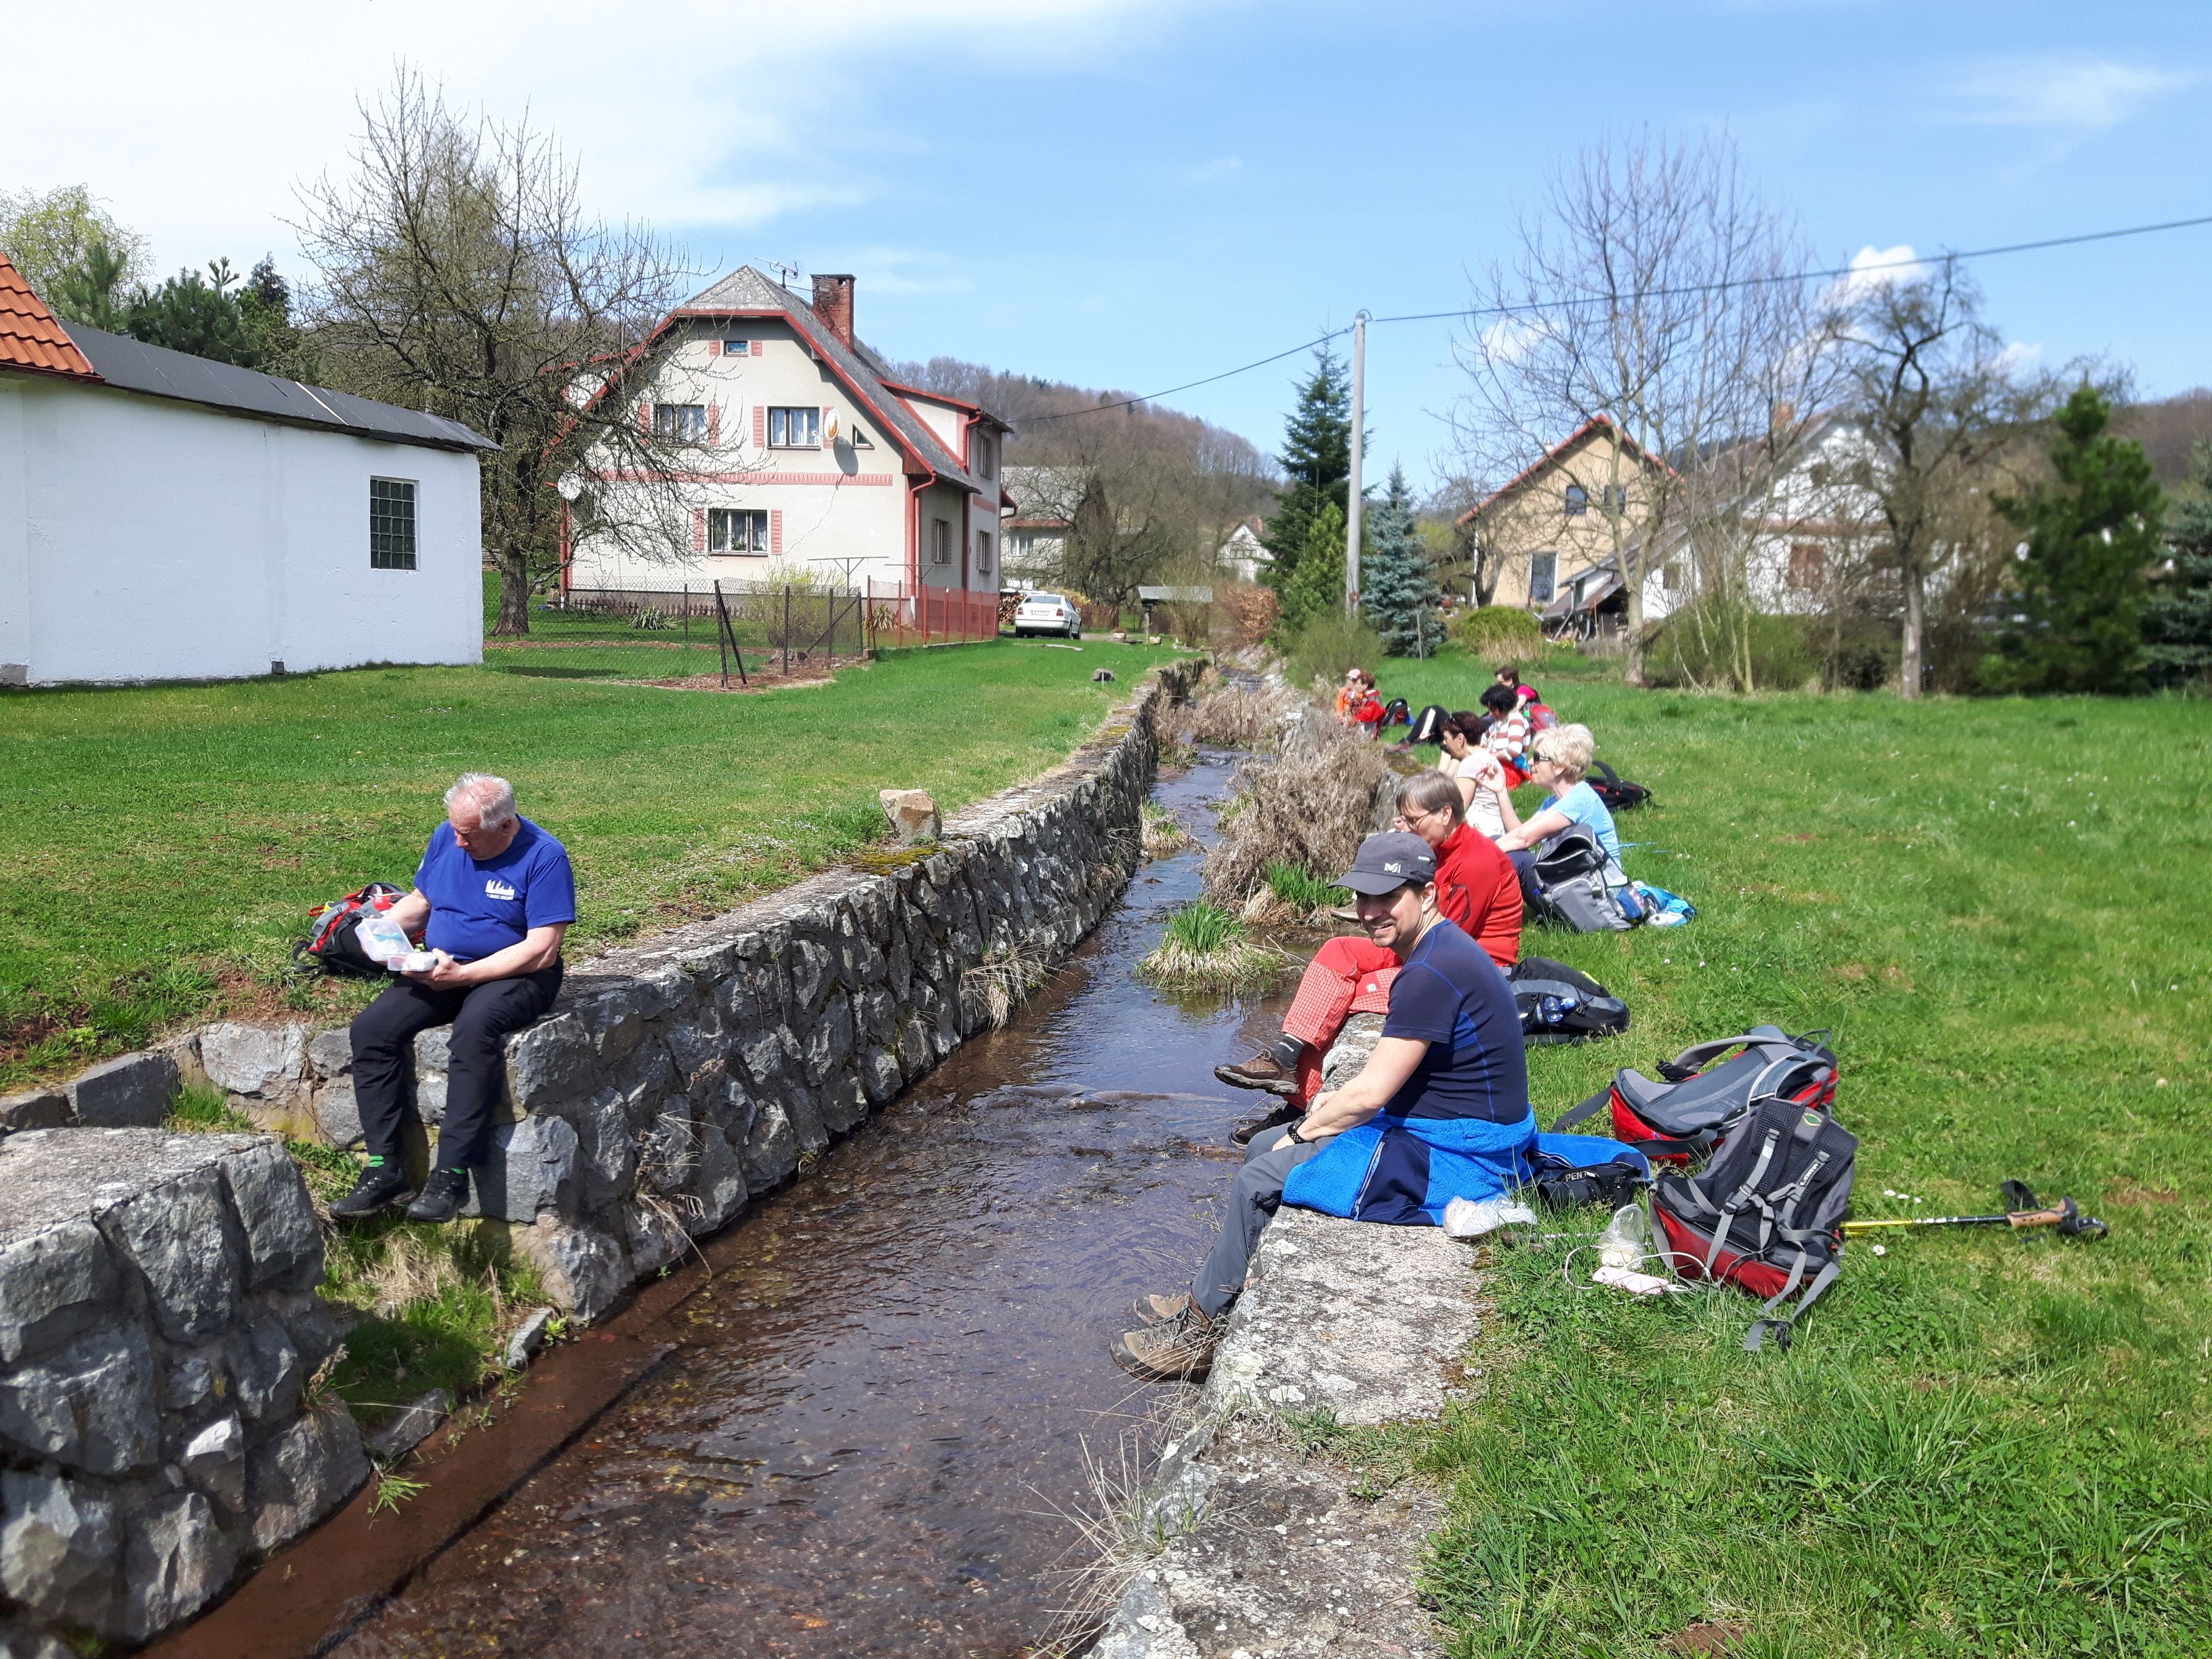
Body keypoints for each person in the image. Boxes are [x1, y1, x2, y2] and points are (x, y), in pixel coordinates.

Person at [1115, 832, 1531, 1382]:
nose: (1371, 911)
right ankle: (1220, 1290)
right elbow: (1397, 1071)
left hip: (1465, 1151)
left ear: (1426, 894)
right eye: (1363, 897)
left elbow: (1373, 1094)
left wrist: (1303, 1130)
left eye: (1389, 897)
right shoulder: (1439, 950)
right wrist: (1317, 1115)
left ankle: (1197, 1337)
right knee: (1265, 1143)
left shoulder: (1430, 973)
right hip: (1454, 1124)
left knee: (1263, 1170)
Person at [1214, 772, 1521, 1143]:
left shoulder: (1476, 863)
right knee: (1337, 949)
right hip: (1430, 953)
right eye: (1399, 818)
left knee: (1349, 997)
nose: (1402, 826)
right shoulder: (1435, 851)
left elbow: (1445, 940)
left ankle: (1297, 1111)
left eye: (1411, 819)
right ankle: (1286, 1055)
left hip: (1469, 971)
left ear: (1444, 814)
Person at [329, 773, 576, 1223]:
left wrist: (465, 975)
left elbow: (542, 949)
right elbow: (423, 900)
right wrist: (379, 932)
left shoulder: (544, 856)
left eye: (469, 835)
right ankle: (385, 1169)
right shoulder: (450, 835)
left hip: (516, 973)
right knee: (372, 1030)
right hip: (445, 965)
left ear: (505, 827)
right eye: (456, 831)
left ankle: (451, 1174)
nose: (459, 843)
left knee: (474, 1029)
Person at [1494, 722, 1624, 907]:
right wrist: (1501, 791)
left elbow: (1523, 839)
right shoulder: (1554, 802)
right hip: (1577, 883)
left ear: (1560, 766)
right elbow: (1519, 832)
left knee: (1515, 859)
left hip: (1600, 895)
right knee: (1500, 843)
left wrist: (1482, 852)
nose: (1531, 763)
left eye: (1538, 758)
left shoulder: (1580, 799)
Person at [1437, 714, 1509, 838]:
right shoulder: (1487, 757)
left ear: (1460, 739)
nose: (1445, 743)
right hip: (1496, 830)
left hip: (1480, 833)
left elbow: (1457, 811)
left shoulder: (1471, 763)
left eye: (1446, 738)